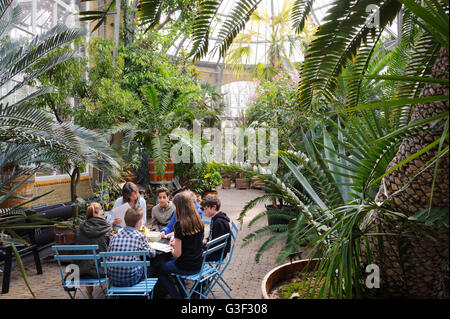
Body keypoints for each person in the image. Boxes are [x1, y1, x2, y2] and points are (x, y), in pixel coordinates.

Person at [151, 191, 204, 299]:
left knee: (159, 269)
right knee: (169, 264)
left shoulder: (180, 225)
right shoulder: (198, 220)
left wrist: (171, 248)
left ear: (180, 207)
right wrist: (177, 242)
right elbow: (191, 241)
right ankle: (184, 294)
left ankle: (177, 297)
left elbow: (177, 254)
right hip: (198, 263)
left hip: (186, 266)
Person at [71, 202, 113, 298]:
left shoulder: (79, 229)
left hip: (79, 271)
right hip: (102, 271)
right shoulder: (107, 228)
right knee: (106, 260)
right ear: (100, 213)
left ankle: (89, 292)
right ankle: (109, 292)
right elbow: (112, 250)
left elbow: (73, 251)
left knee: (87, 259)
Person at [106, 207, 156, 287]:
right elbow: (152, 254)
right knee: (154, 267)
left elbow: (108, 258)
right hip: (132, 279)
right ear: (139, 223)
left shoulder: (115, 236)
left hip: (114, 279)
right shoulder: (140, 236)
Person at [200, 194, 231, 261]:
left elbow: (218, 244)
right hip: (214, 250)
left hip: (217, 254)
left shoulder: (219, 222)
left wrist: (206, 246)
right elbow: (214, 238)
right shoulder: (215, 219)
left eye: (206, 209)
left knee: (192, 255)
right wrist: (206, 240)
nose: (204, 211)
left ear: (214, 207)